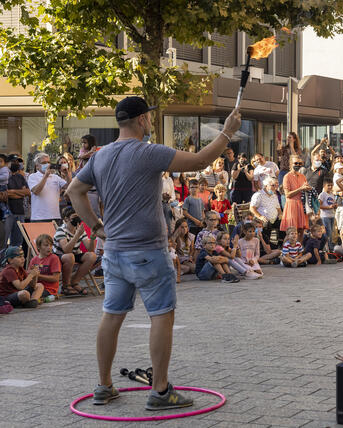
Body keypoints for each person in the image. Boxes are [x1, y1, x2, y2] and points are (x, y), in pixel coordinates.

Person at [66, 96, 241, 410]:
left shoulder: (100, 156)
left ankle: (103, 385)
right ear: (141, 120)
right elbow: (201, 161)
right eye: (148, 117)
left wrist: (97, 227)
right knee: (161, 316)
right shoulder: (148, 152)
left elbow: (73, 190)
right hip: (148, 252)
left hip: (115, 252)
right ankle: (160, 391)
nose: (150, 121)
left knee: (112, 315)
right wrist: (227, 133)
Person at [53, 206, 97, 296]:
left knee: (92, 256)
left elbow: (90, 249)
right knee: (70, 256)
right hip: (60, 256)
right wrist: (77, 235)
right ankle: (65, 286)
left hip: (73, 255)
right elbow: (66, 250)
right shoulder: (61, 230)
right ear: (66, 219)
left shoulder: (79, 230)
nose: (77, 219)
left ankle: (74, 282)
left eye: (78, 216)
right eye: (74, 217)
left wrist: (92, 237)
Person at [28, 153, 68, 222]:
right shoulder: (33, 176)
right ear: (37, 166)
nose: (47, 164)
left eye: (48, 162)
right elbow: (36, 191)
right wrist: (45, 176)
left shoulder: (55, 177)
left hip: (55, 216)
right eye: (44, 163)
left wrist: (68, 174)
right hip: (39, 218)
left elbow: (69, 186)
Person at [281, 155, 310, 241]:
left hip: (301, 204)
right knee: (291, 231)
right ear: (290, 164)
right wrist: (301, 188)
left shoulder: (302, 176)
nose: (298, 165)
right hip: (292, 205)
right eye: (296, 163)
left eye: (300, 163)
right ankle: (285, 251)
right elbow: (287, 194)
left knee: (301, 231)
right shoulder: (287, 177)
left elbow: (305, 189)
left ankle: (298, 250)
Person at [5, 159, 30, 247]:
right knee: (4, 241)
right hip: (7, 213)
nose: (15, 164)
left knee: (18, 241)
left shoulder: (20, 177)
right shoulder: (4, 177)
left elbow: (27, 192)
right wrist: (20, 193)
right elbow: (5, 194)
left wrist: (12, 191)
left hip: (20, 212)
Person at [318, 178, 337, 250]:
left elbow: (333, 204)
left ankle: (328, 247)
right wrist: (328, 207)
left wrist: (335, 206)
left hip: (332, 215)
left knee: (331, 232)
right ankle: (328, 247)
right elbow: (318, 206)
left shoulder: (332, 194)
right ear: (324, 185)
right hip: (325, 216)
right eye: (328, 185)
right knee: (327, 232)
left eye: (331, 185)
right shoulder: (322, 194)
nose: (330, 187)